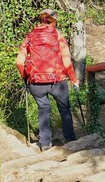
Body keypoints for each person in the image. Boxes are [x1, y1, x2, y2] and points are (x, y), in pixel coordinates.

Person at [16, 9, 79, 151]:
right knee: (64, 109)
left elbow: (19, 61)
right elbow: (66, 60)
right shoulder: (58, 35)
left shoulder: (30, 36)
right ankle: (70, 141)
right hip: (58, 82)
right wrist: (74, 80)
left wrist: (26, 77)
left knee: (43, 109)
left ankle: (45, 144)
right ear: (54, 21)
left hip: (36, 82)